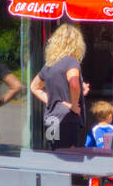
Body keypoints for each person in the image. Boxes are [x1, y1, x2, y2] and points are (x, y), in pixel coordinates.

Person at [30, 23, 87, 151]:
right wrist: (73, 105)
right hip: (66, 119)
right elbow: (73, 83)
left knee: (55, 154)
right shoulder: (71, 62)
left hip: (51, 118)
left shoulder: (49, 65)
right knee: (69, 158)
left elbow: (34, 87)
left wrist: (53, 101)